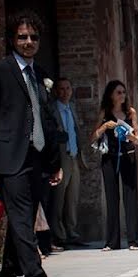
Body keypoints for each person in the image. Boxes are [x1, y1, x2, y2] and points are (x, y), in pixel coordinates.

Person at [0, 10, 63, 277]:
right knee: (24, 220)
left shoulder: (41, 74)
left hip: (37, 158)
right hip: (9, 157)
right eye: (22, 37)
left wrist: (54, 162)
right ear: (12, 39)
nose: (28, 42)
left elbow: (47, 119)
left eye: (33, 37)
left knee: (20, 223)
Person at [92, 80, 138, 251]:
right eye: (118, 92)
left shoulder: (130, 112)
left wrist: (130, 137)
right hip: (109, 158)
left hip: (128, 156)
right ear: (111, 95)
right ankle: (112, 242)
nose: (122, 95)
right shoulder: (105, 113)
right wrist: (105, 125)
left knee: (130, 198)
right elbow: (93, 137)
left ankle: (134, 241)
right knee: (112, 199)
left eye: (123, 92)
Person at [50, 77, 86, 247]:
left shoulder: (71, 108)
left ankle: (72, 231)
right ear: (56, 91)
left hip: (73, 156)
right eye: (62, 89)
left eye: (68, 88)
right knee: (59, 197)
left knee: (73, 196)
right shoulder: (52, 109)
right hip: (60, 157)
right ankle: (59, 234)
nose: (65, 92)